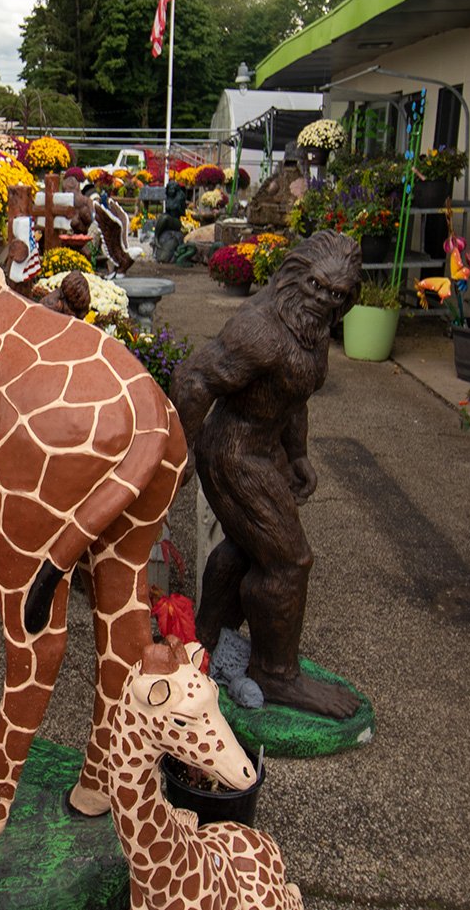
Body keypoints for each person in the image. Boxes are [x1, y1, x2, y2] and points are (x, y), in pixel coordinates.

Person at [170, 230, 362, 718]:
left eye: (337, 294)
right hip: (234, 454)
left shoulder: (311, 330)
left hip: (267, 448)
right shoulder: (260, 331)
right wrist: (183, 450)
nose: (324, 300)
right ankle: (276, 676)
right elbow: (193, 380)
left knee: (245, 548)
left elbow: (293, 398)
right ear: (296, 277)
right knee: (288, 562)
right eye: (318, 286)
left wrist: (297, 455)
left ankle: (206, 640)